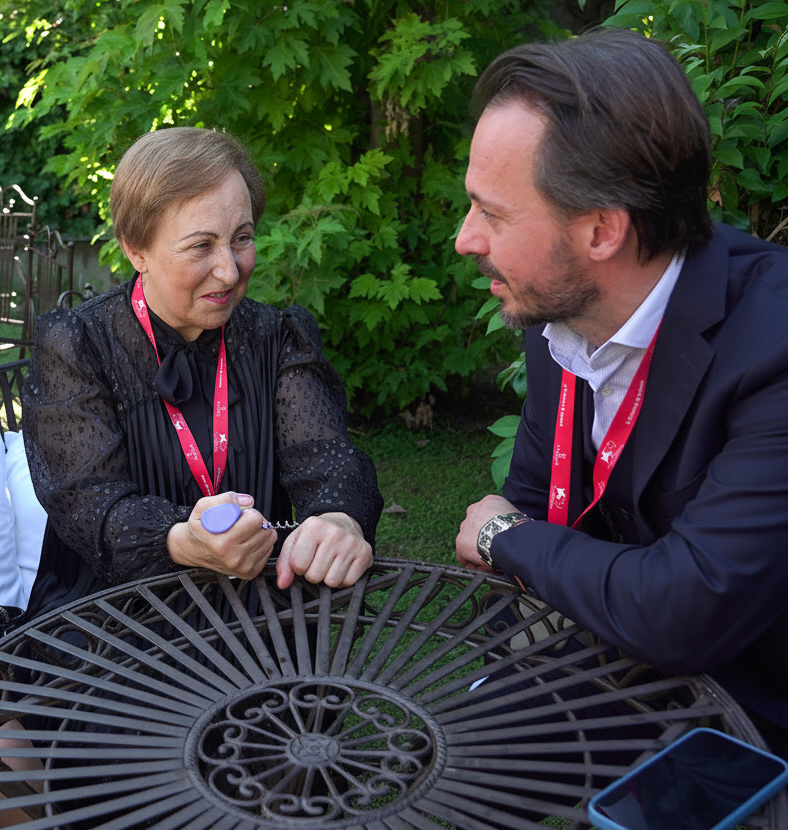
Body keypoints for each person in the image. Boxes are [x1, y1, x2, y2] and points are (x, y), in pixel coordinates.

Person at [454, 28, 788, 756]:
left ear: (602, 229)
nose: (465, 238)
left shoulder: (775, 349)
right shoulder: (562, 314)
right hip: (620, 669)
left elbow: (683, 607)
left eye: (493, 213)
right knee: (452, 744)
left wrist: (499, 536)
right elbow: (539, 505)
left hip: (756, 720)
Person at [21, 127, 383, 622]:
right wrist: (180, 541)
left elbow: (329, 463)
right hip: (118, 619)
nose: (230, 272)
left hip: (258, 610)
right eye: (200, 246)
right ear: (136, 249)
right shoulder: (77, 345)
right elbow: (88, 506)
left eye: (242, 239)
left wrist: (340, 519)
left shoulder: (278, 337)